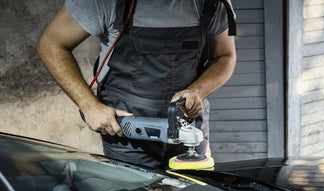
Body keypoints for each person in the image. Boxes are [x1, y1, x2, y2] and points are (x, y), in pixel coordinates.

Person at [38, 0, 237, 169]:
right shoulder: (104, 2)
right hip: (127, 130)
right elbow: (51, 44)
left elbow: (224, 56)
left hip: (188, 121)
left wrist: (198, 91)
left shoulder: (212, 2)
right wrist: (89, 105)